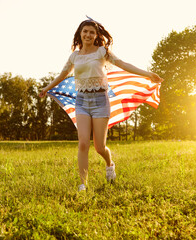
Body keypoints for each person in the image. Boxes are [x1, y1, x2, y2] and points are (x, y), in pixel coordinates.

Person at [39, 17, 163, 191]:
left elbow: (123, 64)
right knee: (83, 143)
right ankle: (83, 184)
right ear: (80, 34)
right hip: (81, 101)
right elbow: (62, 75)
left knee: (99, 147)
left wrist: (147, 74)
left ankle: (109, 163)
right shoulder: (75, 56)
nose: (88, 35)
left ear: (96, 35)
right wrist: (46, 88)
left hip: (100, 101)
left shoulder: (101, 52)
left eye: (91, 32)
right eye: (85, 31)